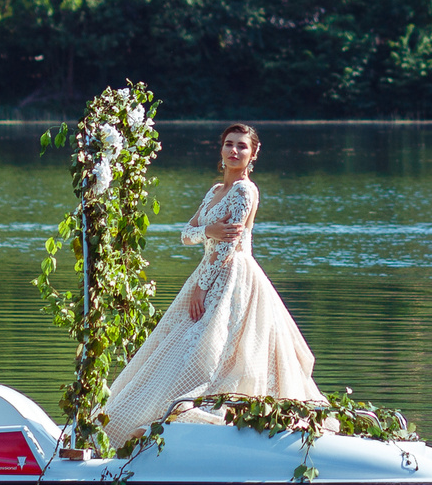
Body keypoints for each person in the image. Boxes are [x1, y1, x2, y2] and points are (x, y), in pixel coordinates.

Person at [97, 123, 322, 448]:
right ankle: (139, 418)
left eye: (242, 146)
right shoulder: (216, 190)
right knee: (180, 347)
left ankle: (203, 413)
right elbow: (186, 235)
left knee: (214, 348)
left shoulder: (246, 190)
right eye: (229, 144)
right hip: (207, 271)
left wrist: (202, 286)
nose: (234, 150)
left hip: (232, 277)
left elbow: (229, 242)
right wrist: (207, 232)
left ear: (253, 153)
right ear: (220, 149)